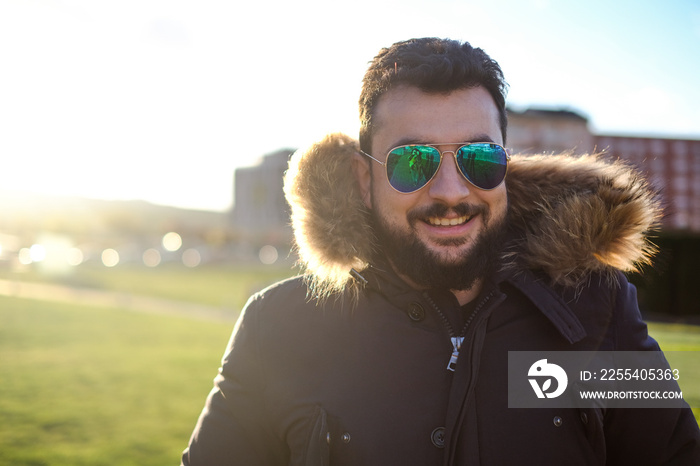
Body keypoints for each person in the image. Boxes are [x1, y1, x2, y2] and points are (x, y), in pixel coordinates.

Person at [182, 38, 700, 465]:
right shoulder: (279, 327)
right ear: (365, 180)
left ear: (505, 165)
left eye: (478, 158)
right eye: (412, 162)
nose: (451, 193)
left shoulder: (598, 311)